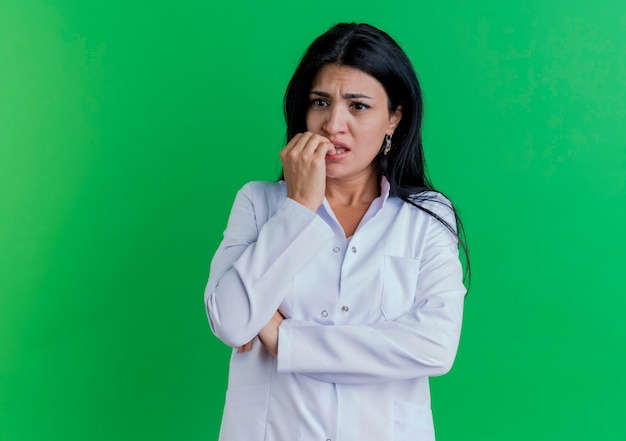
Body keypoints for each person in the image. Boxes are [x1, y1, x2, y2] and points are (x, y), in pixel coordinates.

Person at [204, 22, 469, 441]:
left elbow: (434, 345)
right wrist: (299, 209)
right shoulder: (258, 203)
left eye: (358, 106)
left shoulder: (426, 218)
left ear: (393, 119)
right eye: (320, 102)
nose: (333, 124)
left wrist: (282, 338)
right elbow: (232, 322)